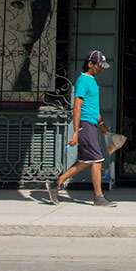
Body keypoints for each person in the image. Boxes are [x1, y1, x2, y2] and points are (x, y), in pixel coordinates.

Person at [47, 50, 117, 207]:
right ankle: (98, 197)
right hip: (85, 125)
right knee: (97, 160)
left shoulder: (92, 80)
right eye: (99, 66)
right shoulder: (83, 80)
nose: (101, 69)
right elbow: (77, 107)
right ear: (90, 64)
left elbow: (93, 107)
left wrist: (101, 126)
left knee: (87, 161)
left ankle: (57, 182)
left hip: (91, 124)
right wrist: (75, 132)